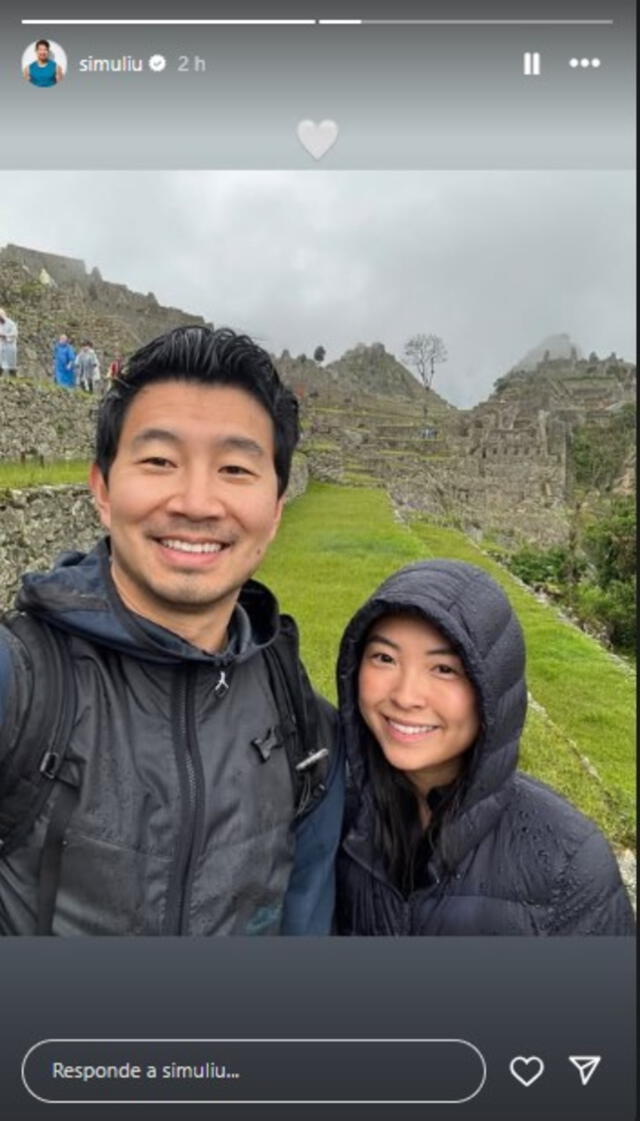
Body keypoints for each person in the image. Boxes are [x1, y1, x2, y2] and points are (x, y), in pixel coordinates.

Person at [0, 325, 343, 935]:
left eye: (236, 469)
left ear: (275, 512)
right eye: (159, 461)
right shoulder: (18, 687)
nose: (196, 501)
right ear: (102, 491)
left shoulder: (306, 731)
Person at [335, 559, 634, 935]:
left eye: (444, 668)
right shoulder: (326, 815)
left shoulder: (569, 862)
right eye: (384, 658)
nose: (406, 696)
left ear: (491, 687)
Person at [0, 309, 18, 377]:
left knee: (11, 364)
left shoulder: (11, 324)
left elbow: (15, 334)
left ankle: (13, 377)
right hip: (2, 346)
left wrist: (5, 335)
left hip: (10, 346)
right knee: (0, 362)